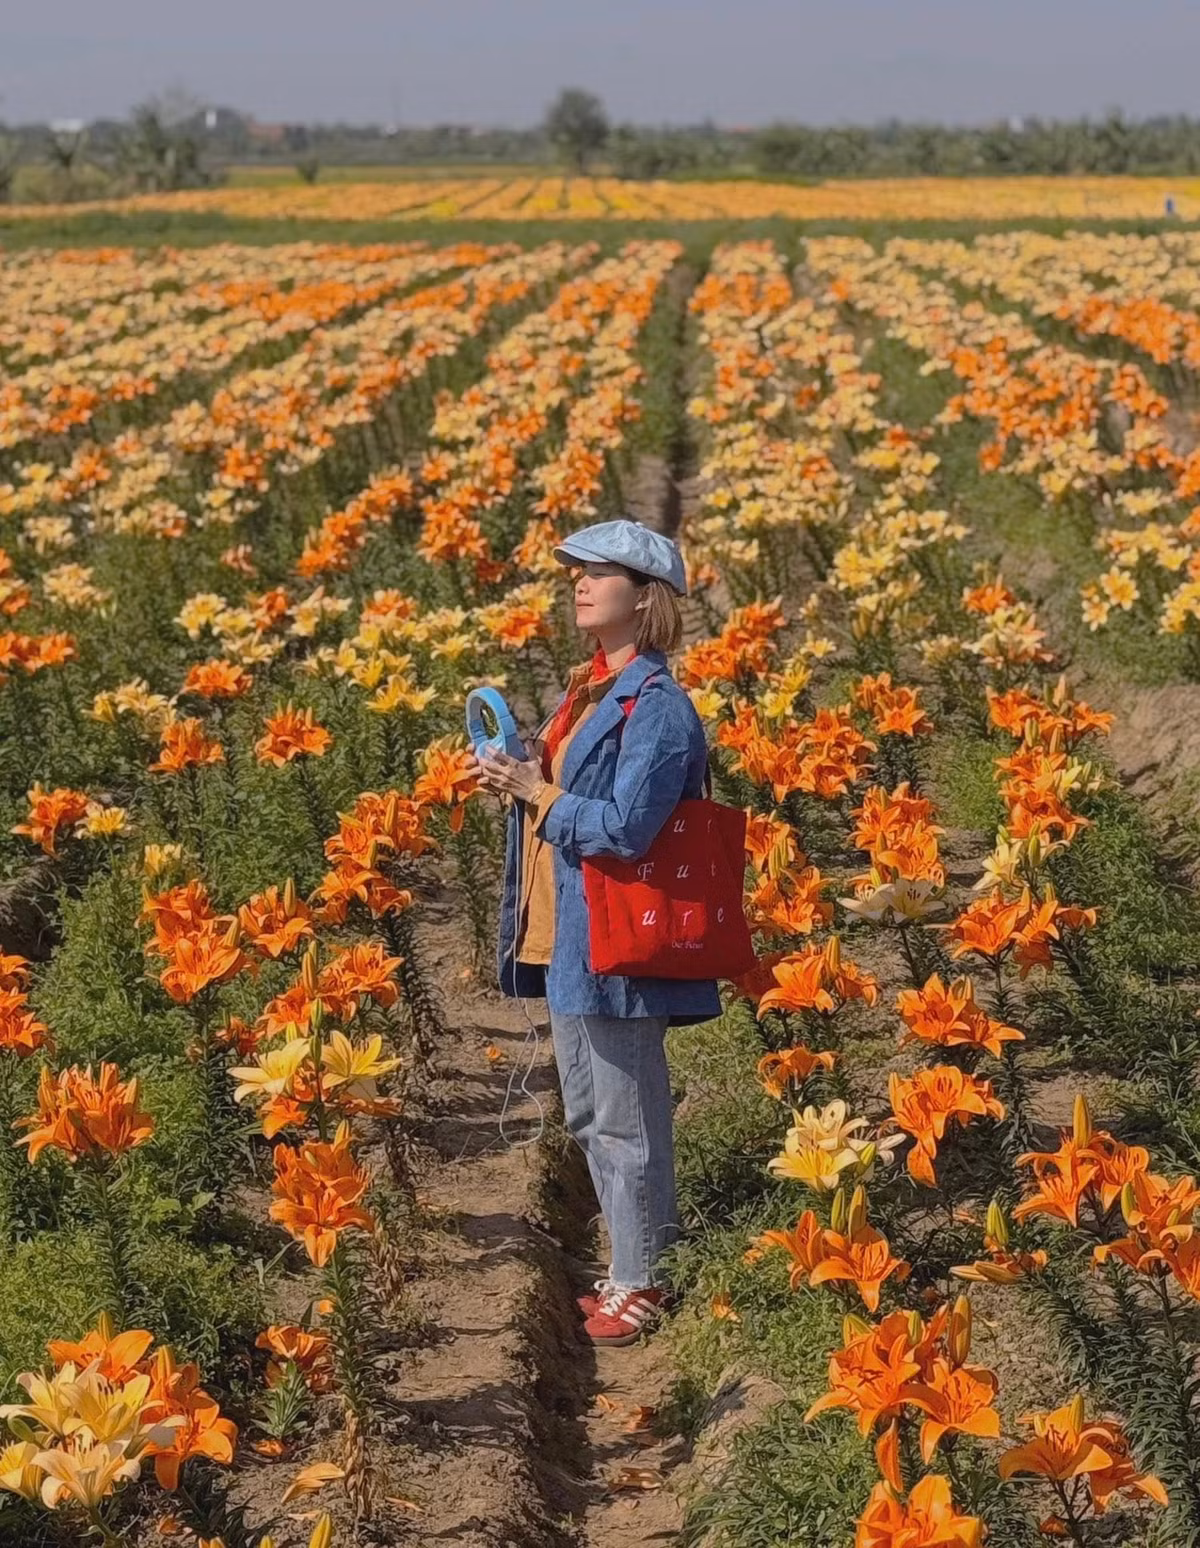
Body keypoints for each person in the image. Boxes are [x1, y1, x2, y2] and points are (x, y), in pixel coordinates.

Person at [467, 518, 720, 1347]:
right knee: (589, 1116)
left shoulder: (658, 708)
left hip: (616, 937)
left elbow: (626, 827)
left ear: (644, 598)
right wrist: (517, 768)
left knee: (625, 1116)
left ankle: (645, 1279)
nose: (578, 581)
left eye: (599, 571)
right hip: (568, 933)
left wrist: (535, 792)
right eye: (574, 569)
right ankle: (632, 1262)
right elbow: (559, 785)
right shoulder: (588, 689)